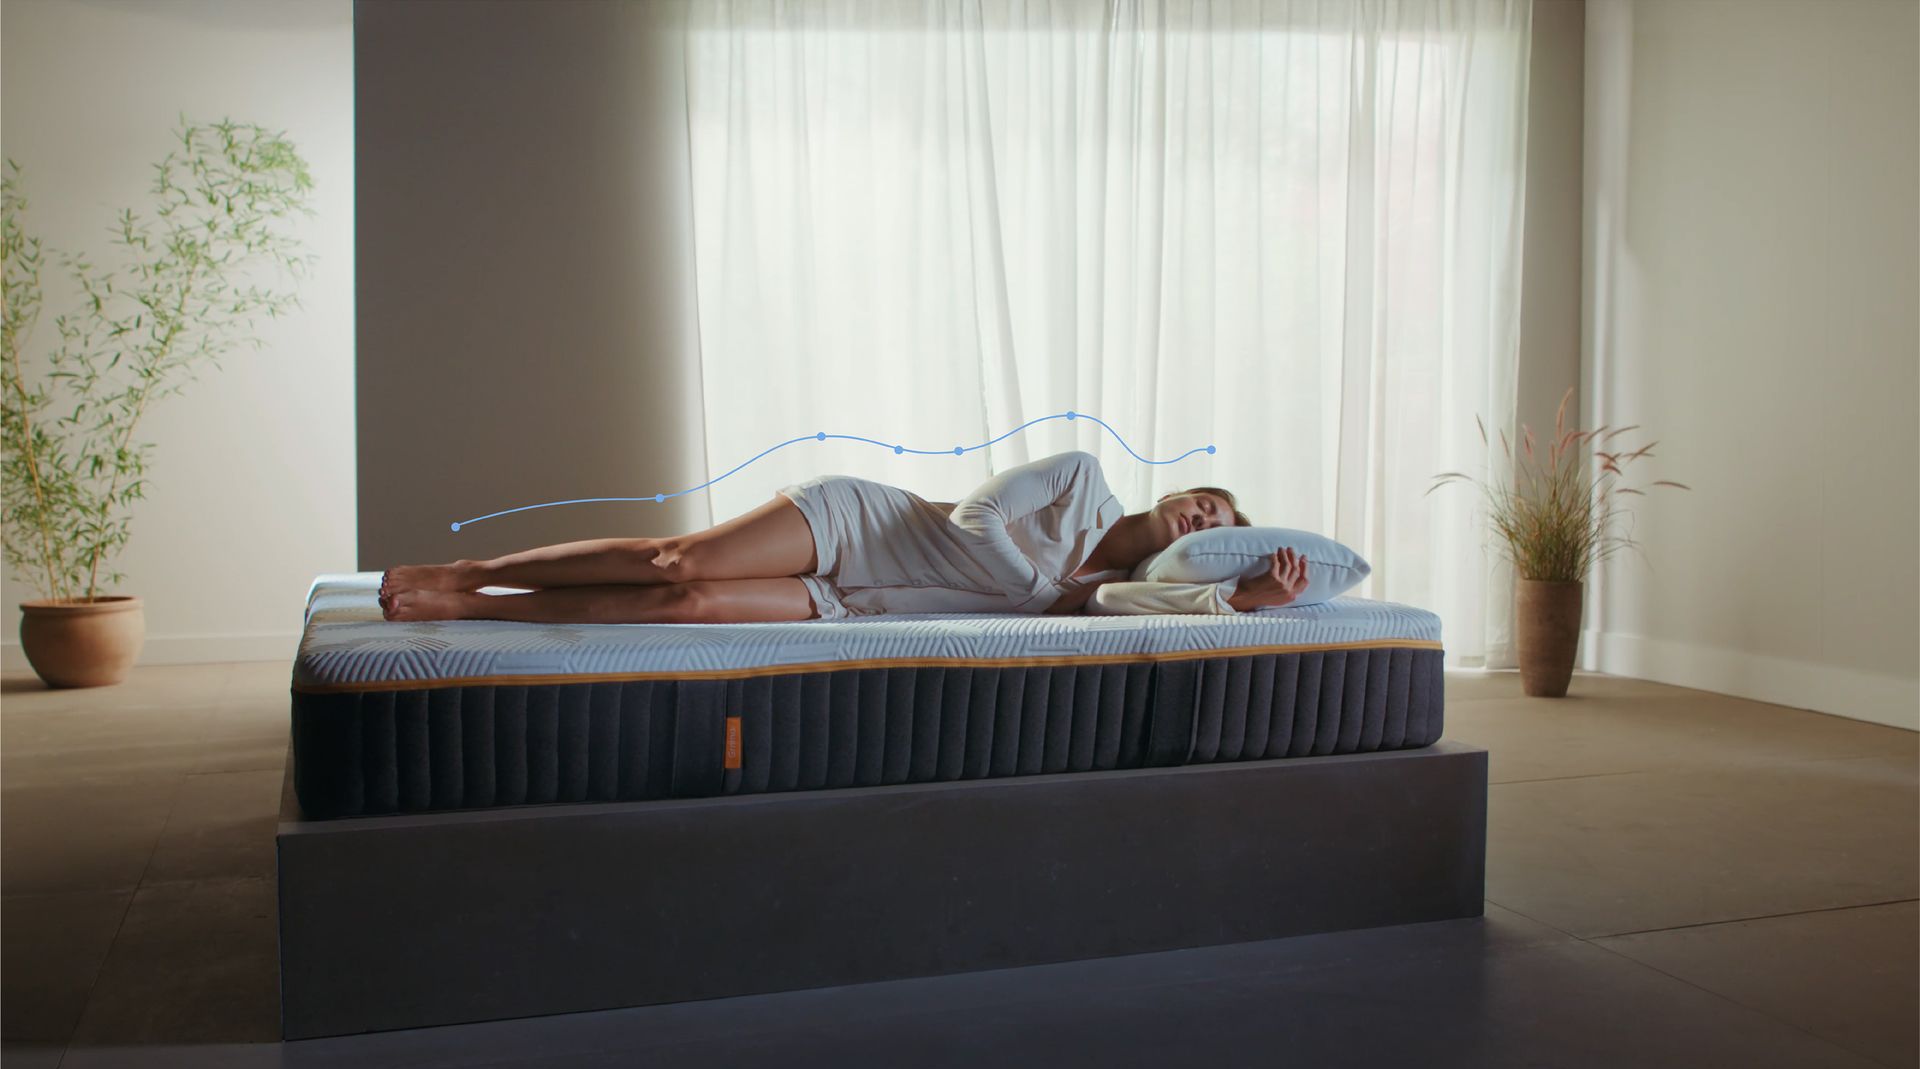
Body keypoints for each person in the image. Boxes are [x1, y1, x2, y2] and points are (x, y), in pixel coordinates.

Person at [379, 450, 1310, 623]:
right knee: (679, 559)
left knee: (689, 603)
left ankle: (475, 610)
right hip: (857, 524)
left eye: (1219, 528)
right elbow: (977, 515)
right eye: (1206, 504)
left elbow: (1167, 613)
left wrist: (1243, 597)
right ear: (1177, 492)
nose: (1205, 519)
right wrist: (1034, 590)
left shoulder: (1109, 594)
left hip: (857, 598)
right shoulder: (1081, 479)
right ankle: (470, 572)